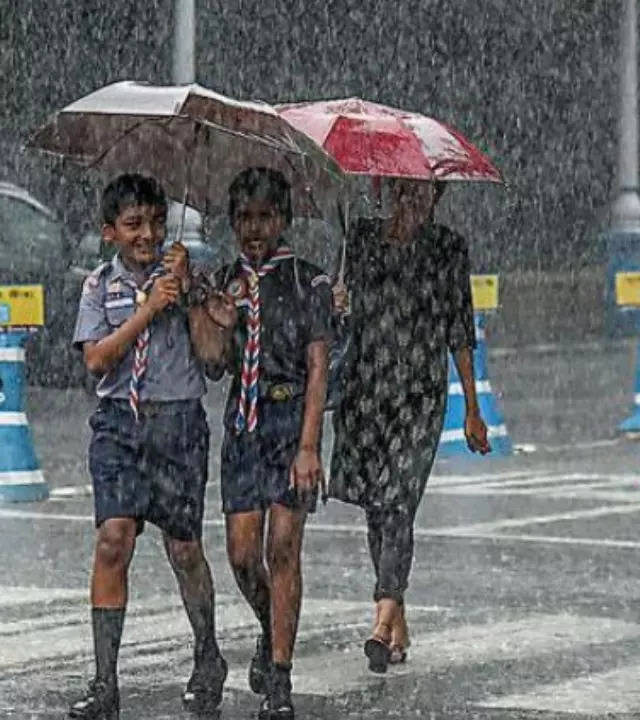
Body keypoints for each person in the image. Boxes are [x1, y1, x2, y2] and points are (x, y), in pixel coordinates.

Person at [69, 174, 225, 719]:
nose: (148, 235)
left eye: (156, 223)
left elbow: (213, 361)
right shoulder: (97, 287)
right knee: (113, 540)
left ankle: (208, 652)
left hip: (179, 425)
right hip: (120, 424)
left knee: (184, 550)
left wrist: (189, 298)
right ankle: (104, 681)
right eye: (134, 225)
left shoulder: (187, 281)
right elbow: (96, 360)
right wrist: (147, 310)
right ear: (109, 231)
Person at [328, 179, 490, 673]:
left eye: (422, 194)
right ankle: (397, 613)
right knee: (378, 508)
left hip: (419, 396)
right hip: (365, 391)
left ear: (436, 199)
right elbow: (342, 317)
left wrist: (473, 407)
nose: (411, 202)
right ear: (386, 193)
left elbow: (459, 328)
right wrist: (336, 304)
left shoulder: (446, 249)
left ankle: (380, 618)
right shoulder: (359, 240)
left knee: (398, 500)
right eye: (402, 192)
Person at [203, 168, 331, 719]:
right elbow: (212, 366)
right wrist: (215, 320)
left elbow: (318, 368)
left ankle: (280, 679)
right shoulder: (225, 280)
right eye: (245, 218)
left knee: (283, 547)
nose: (254, 229)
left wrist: (309, 446)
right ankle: (267, 625)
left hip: (288, 420)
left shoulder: (309, 281)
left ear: (284, 220)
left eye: (265, 217)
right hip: (243, 424)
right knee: (241, 554)